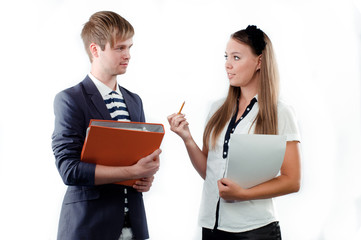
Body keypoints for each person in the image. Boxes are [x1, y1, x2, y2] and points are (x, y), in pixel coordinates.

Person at [168, 25, 301, 240]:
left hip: (255, 231)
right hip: (211, 227)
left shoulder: (279, 112)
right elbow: (210, 174)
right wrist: (187, 138)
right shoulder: (217, 109)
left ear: (259, 62)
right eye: (226, 57)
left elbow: (292, 180)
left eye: (236, 57)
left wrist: (243, 194)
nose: (227, 65)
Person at [52, 11, 161, 240]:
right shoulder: (70, 99)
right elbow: (69, 170)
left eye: (130, 47)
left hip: (133, 227)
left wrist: (145, 177)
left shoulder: (134, 100)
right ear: (95, 50)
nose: (128, 55)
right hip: (89, 227)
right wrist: (133, 171)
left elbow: (137, 161)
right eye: (120, 48)